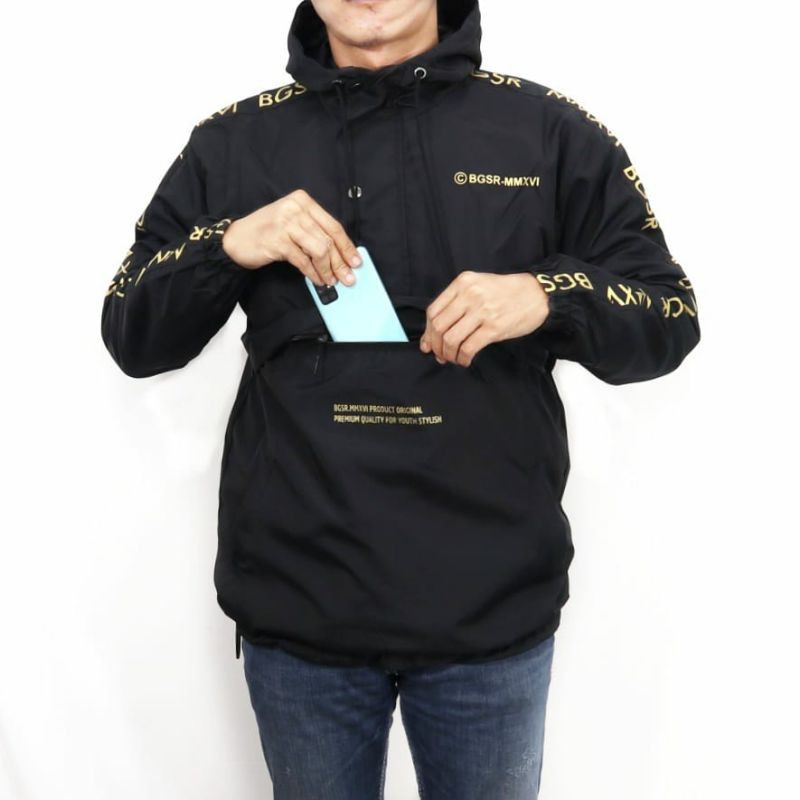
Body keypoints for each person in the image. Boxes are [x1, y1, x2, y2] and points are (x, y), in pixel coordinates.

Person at [101, 0, 701, 796]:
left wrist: (549, 293)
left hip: (490, 612)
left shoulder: (549, 131)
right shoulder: (233, 141)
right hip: (299, 610)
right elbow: (132, 333)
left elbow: (671, 315)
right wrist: (228, 244)